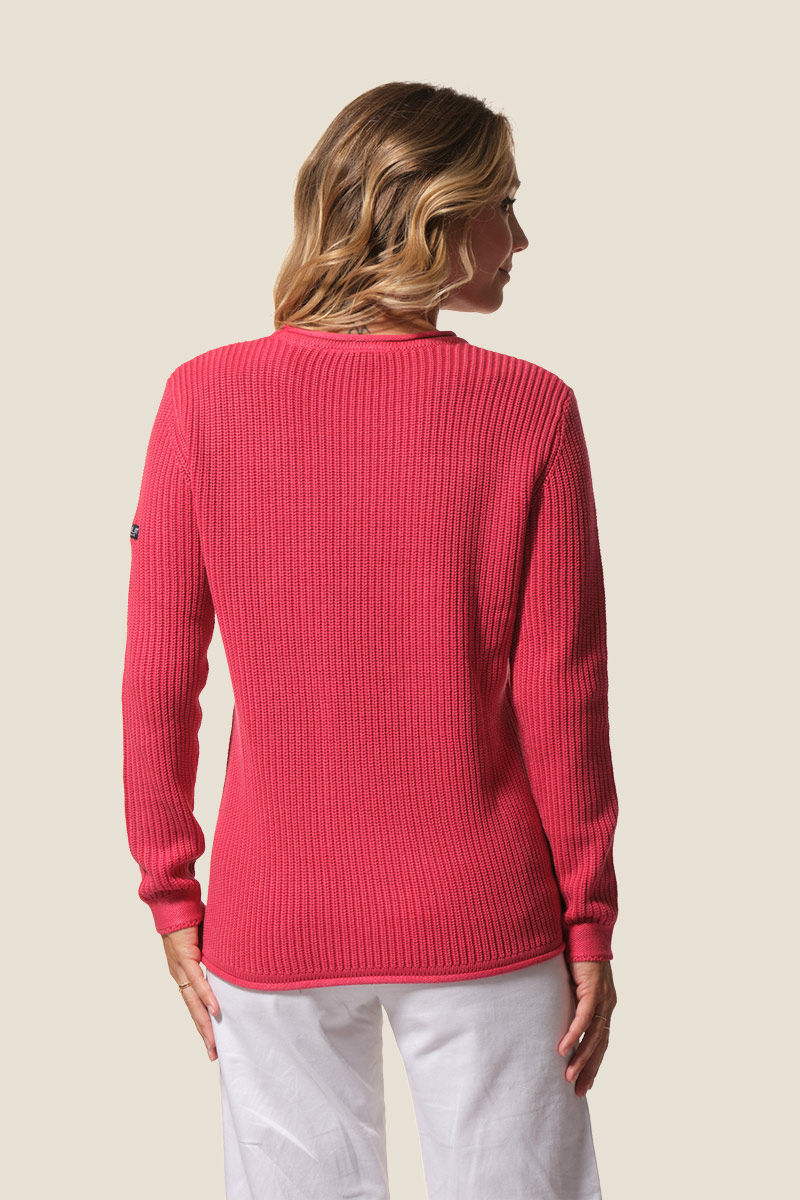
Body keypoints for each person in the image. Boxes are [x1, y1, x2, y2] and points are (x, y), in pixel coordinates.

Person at [122, 81, 620, 1199]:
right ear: (432, 217)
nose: (520, 239)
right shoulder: (529, 410)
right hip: (484, 912)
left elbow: (157, 677)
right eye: (503, 205)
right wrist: (587, 918)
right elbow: (563, 692)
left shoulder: (202, 399)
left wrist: (172, 893)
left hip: (272, 913)